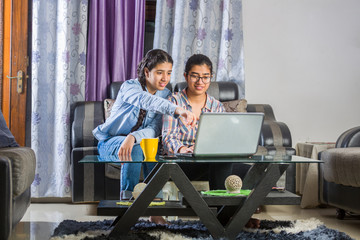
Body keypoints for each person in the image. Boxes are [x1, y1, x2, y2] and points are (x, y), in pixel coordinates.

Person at [92, 49, 197, 224]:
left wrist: (133, 136)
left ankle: (155, 210)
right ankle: (127, 208)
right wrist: (177, 110)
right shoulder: (130, 87)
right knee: (136, 148)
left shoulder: (165, 95)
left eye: (169, 73)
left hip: (135, 143)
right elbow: (145, 100)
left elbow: (155, 128)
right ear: (147, 72)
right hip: (109, 142)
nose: (165, 78)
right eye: (160, 73)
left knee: (151, 148)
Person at [162, 53, 260, 228]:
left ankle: (233, 214)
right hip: (183, 164)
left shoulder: (216, 105)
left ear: (210, 78)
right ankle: (225, 220)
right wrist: (184, 149)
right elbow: (168, 138)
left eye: (205, 77)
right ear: (186, 76)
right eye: (195, 76)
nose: (200, 81)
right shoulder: (174, 101)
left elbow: (221, 138)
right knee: (221, 162)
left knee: (248, 170)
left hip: (209, 162)